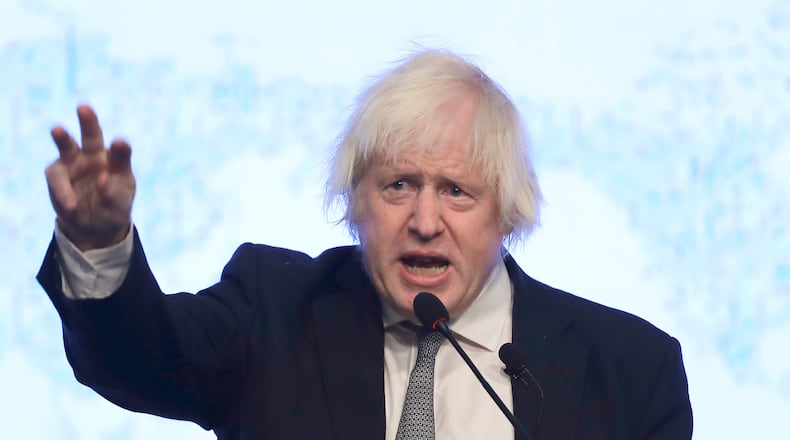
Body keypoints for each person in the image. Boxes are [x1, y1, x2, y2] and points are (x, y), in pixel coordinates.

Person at [38, 49, 692, 439]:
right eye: (399, 185)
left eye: (457, 192)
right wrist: (97, 243)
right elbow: (136, 359)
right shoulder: (273, 313)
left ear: (508, 214)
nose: (426, 220)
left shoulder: (632, 373)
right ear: (354, 202)